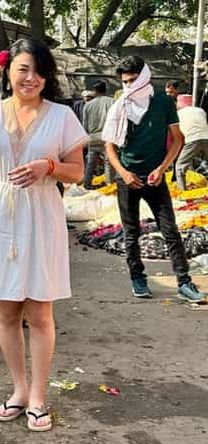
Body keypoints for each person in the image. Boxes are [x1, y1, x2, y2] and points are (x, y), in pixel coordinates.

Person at [0, 39, 88, 432]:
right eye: (23, 69)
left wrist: (48, 165)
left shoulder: (61, 116)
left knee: (40, 312)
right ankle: (18, 389)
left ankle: (38, 396)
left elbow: (77, 171)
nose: (32, 78)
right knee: (6, 310)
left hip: (40, 215)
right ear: (9, 71)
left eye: (39, 71)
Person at [102, 57, 204, 302]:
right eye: (125, 82)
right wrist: (124, 174)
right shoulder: (121, 105)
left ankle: (184, 282)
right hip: (127, 178)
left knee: (171, 231)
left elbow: (178, 140)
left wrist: (161, 169)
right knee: (131, 232)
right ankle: (138, 278)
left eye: (133, 80)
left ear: (144, 76)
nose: (129, 86)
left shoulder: (162, 102)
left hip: (155, 178)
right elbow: (110, 146)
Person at [82, 81, 116, 188]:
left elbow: (85, 124)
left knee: (90, 162)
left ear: (94, 91)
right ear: (105, 89)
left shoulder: (88, 105)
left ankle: (87, 184)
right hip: (107, 137)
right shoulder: (112, 102)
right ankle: (109, 183)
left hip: (92, 137)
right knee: (109, 161)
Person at [175, 94, 208, 191]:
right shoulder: (200, 111)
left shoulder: (178, 114)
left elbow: (179, 135)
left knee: (180, 166)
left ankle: (182, 190)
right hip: (206, 138)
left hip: (192, 140)